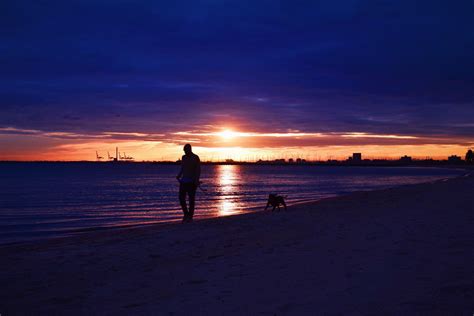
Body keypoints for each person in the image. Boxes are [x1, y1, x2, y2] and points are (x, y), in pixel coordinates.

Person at [176, 144, 201, 222]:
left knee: (191, 200)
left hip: (192, 182)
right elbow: (183, 168)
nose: (184, 151)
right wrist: (179, 175)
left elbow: (198, 170)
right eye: (184, 150)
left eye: (185, 150)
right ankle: (186, 214)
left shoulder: (195, 157)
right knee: (181, 198)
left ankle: (190, 216)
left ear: (189, 149)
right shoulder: (183, 157)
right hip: (183, 181)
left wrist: (196, 180)